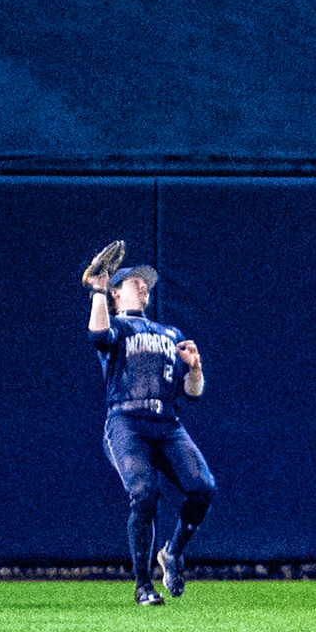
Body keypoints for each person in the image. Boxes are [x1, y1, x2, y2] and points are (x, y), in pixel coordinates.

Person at [82, 240, 217, 606]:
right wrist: (97, 291)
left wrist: (197, 368)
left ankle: (172, 552)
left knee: (203, 487)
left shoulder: (169, 333)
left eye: (145, 282)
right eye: (134, 281)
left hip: (167, 423)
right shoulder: (117, 327)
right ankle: (144, 585)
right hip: (126, 422)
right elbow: (97, 335)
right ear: (116, 292)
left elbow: (193, 392)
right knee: (144, 493)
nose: (143, 284)